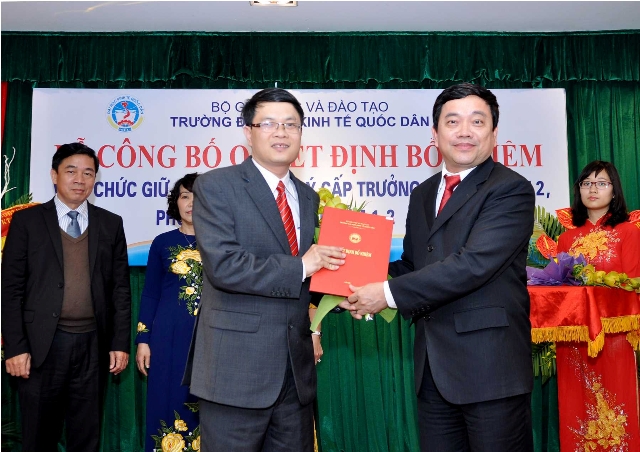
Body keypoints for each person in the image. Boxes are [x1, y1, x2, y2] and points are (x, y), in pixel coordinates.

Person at [343, 83, 536, 451]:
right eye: (452, 121)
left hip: (490, 370)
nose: (464, 131)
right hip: (433, 372)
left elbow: (473, 265)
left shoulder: (510, 189)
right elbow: (413, 265)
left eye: (477, 121)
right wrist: (347, 286)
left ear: (494, 133)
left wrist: (385, 294)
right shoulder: (423, 193)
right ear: (435, 134)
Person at [183, 88, 345, 452]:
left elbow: (306, 278)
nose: (281, 132)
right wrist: (303, 265)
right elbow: (225, 266)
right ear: (248, 132)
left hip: (294, 375)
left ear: (301, 133)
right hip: (235, 370)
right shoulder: (216, 186)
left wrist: (340, 293)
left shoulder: (307, 196)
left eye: (291, 124)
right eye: (269, 123)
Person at [1, 142, 131, 452]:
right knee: (38, 436)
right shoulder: (27, 222)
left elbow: (120, 289)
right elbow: (10, 289)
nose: (79, 180)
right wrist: (15, 348)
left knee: (86, 436)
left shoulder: (110, 223)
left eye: (88, 173)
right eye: (71, 171)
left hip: (93, 345)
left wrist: (119, 343)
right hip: (41, 346)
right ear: (54, 175)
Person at [135, 173, 201, 451]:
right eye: (185, 196)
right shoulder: (162, 243)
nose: (191, 203)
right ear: (176, 202)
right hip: (167, 338)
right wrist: (143, 339)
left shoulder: (222, 243)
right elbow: (150, 293)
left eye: (199, 197)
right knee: (166, 400)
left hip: (209, 339)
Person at [557, 160, 640, 276]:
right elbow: (563, 284)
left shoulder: (629, 232)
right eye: (586, 183)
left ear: (614, 192)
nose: (592, 190)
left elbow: (633, 282)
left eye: (601, 183)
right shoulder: (565, 239)